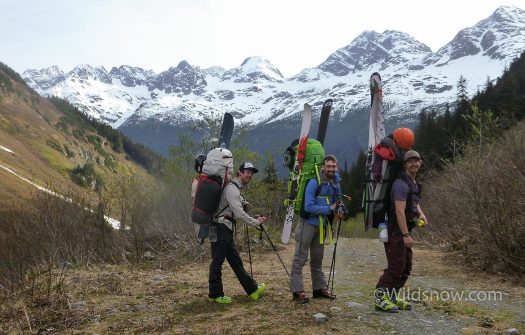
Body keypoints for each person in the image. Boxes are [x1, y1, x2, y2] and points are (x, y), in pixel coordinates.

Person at [374, 150, 428, 312]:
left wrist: (421, 213)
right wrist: (405, 235)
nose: (414, 164)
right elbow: (399, 211)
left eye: (416, 161)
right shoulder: (400, 184)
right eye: (410, 161)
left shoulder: (412, 182)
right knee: (396, 265)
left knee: (406, 266)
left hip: (404, 229)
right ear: (404, 164)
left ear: (420, 162)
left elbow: (414, 200)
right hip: (395, 230)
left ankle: (392, 296)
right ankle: (380, 298)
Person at [208, 162, 267, 304]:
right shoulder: (231, 189)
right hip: (220, 227)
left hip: (221, 227)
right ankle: (215, 294)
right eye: (247, 172)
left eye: (251, 173)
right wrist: (256, 223)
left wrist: (245, 202)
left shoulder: (235, 188)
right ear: (239, 173)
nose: (250, 175)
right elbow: (239, 213)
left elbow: (238, 202)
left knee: (235, 261)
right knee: (217, 261)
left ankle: (252, 290)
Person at [290, 155, 342, 303]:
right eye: (328, 166)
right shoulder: (314, 182)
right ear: (323, 168)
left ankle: (319, 289)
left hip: (322, 226)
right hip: (307, 224)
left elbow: (337, 202)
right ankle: (297, 291)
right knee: (300, 258)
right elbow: (308, 207)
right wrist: (329, 208)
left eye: (333, 166)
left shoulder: (335, 183)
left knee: (317, 259)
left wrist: (339, 209)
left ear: (336, 167)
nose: (331, 169)